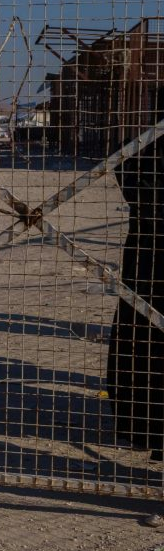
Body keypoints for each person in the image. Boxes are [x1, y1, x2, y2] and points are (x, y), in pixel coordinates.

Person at [108, 127, 164, 460]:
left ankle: (144, 427)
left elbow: (123, 167)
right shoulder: (146, 148)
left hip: (146, 260)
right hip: (147, 261)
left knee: (143, 344)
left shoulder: (144, 149)